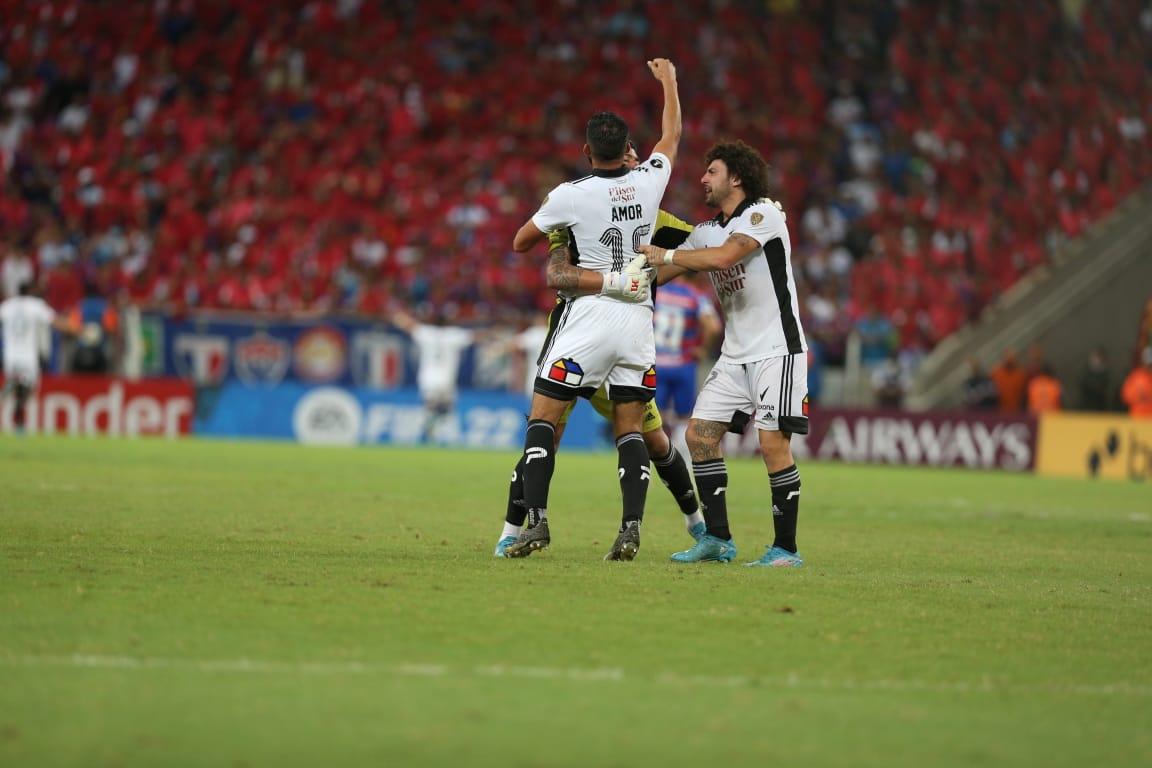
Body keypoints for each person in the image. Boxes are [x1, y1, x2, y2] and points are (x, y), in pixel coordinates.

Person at [500, 57, 680, 561]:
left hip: (592, 312)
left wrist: (554, 226)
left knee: (544, 416)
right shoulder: (649, 180)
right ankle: (629, 529)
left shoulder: (569, 195)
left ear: (586, 151)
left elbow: (520, 243)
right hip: (639, 319)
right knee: (631, 428)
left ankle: (534, 523)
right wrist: (668, 82)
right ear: (628, 150)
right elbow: (670, 137)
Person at [638, 139, 810, 568]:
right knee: (699, 436)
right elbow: (667, 271)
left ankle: (786, 550)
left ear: (736, 176)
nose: (702, 178)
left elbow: (724, 258)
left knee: (772, 444)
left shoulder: (763, 214)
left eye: (711, 171)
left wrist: (669, 253)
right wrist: (613, 278)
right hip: (734, 356)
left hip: (777, 349)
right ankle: (717, 540)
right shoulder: (705, 231)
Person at [653, 269, 721, 440]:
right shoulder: (696, 296)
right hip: (683, 364)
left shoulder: (656, 293)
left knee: (653, 417)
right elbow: (713, 327)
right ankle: (682, 461)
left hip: (656, 364)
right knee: (684, 417)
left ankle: (652, 460)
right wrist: (703, 350)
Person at [392, 308, 475, 444]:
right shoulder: (454, 334)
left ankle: (430, 427)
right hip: (446, 379)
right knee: (446, 408)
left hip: (427, 378)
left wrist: (398, 317)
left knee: (432, 406)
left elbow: (409, 325)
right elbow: (475, 336)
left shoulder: (426, 333)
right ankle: (432, 430)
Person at [1, 282, 72, 433]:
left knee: (20, 390)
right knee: (31, 388)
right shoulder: (36, 305)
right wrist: (77, 329)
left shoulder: (7, 306)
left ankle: (18, 418)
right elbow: (55, 321)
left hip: (10, 355)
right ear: (31, 290)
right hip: (28, 355)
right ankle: (17, 387)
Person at [1121, 346, 1152, 419]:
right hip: (1137, 419)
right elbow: (1125, 396)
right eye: (1149, 364)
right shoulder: (1136, 376)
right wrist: (1139, 395)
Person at [1078, 347, 1113, 411]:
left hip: (1100, 407)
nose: (1097, 359)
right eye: (1096, 356)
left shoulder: (1106, 374)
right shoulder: (1086, 372)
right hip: (1086, 406)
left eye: (1099, 357)